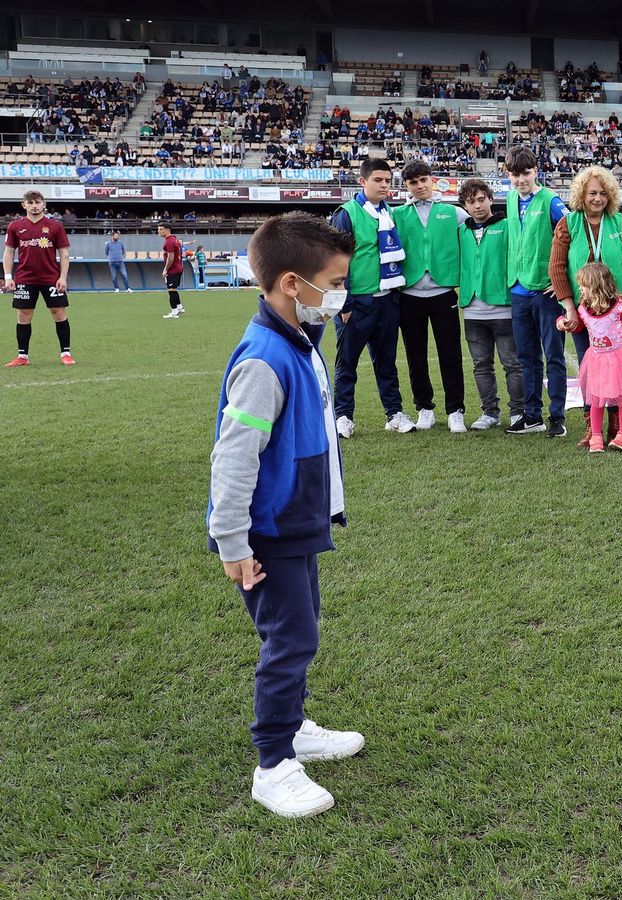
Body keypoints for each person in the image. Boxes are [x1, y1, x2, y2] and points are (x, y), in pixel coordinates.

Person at [206, 211, 366, 818]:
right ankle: (273, 762)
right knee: (290, 637)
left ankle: (294, 726)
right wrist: (232, 541)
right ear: (294, 284)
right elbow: (234, 456)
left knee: (302, 627)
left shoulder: (297, 338)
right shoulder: (263, 360)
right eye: (333, 281)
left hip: (298, 521)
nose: (340, 293)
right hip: (267, 531)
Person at [549, 165, 622, 446]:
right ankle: (592, 430)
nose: (597, 199)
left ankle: (617, 427)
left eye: (603, 193)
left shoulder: (620, 222)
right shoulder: (568, 224)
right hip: (583, 312)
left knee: (617, 368)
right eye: (592, 193)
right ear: (582, 194)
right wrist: (568, 308)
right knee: (589, 369)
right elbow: (556, 268)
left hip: (614, 312)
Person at [330, 157, 414, 436]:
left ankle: (394, 413)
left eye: (388, 181)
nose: (384, 185)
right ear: (362, 181)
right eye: (378, 180)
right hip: (357, 302)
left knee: (387, 362)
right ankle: (342, 416)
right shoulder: (347, 213)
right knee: (347, 363)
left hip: (387, 300)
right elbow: (336, 260)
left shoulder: (389, 213)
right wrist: (344, 301)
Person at [502, 146, 574, 438]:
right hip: (518, 290)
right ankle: (532, 416)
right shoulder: (508, 199)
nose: (521, 179)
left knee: (554, 355)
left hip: (545, 294)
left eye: (526, 173)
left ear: (537, 171)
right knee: (526, 357)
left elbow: (574, 237)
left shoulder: (551, 202)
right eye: (515, 174)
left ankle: (557, 416)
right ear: (508, 175)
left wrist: (560, 279)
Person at [394, 160, 470, 433]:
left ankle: (455, 410)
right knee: (415, 355)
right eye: (413, 182)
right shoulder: (396, 215)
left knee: (450, 353)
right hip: (409, 293)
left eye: (423, 180)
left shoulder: (453, 213)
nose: (419, 186)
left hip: (443, 292)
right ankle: (424, 407)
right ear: (407, 186)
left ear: (432, 180)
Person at [456, 178, 524, 431]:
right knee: (481, 365)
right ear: (464, 205)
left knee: (512, 364)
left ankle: (518, 411)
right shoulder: (462, 230)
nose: (477, 206)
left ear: (491, 199)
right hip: (472, 310)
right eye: (471, 202)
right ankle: (490, 412)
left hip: (503, 307)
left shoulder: (507, 226)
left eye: (481, 199)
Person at [569, 262, 622, 452]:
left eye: (583, 286)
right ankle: (596, 436)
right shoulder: (582, 309)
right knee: (596, 399)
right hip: (597, 360)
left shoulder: (619, 307)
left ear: (596, 286)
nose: (580, 289)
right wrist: (562, 322)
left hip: (618, 359)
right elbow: (578, 326)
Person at [4, 191, 74, 367]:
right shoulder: (15, 226)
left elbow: (64, 252)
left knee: (58, 313)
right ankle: (22, 357)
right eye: (30, 202)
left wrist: (63, 277)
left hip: (51, 278)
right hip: (25, 278)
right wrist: (8, 276)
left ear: (44, 204)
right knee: (24, 315)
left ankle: (66, 353)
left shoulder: (55, 226)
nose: (34, 205)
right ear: (23, 205)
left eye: (37, 202)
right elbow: (9, 251)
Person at [159, 222, 186, 318]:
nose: (159, 231)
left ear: (167, 230)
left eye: (161, 229)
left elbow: (170, 258)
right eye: (158, 229)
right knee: (173, 289)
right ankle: (180, 307)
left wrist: (165, 269)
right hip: (178, 268)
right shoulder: (173, 239)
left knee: (171, 290)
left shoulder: (169, 241)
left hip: (173, 269)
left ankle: (174, 313)